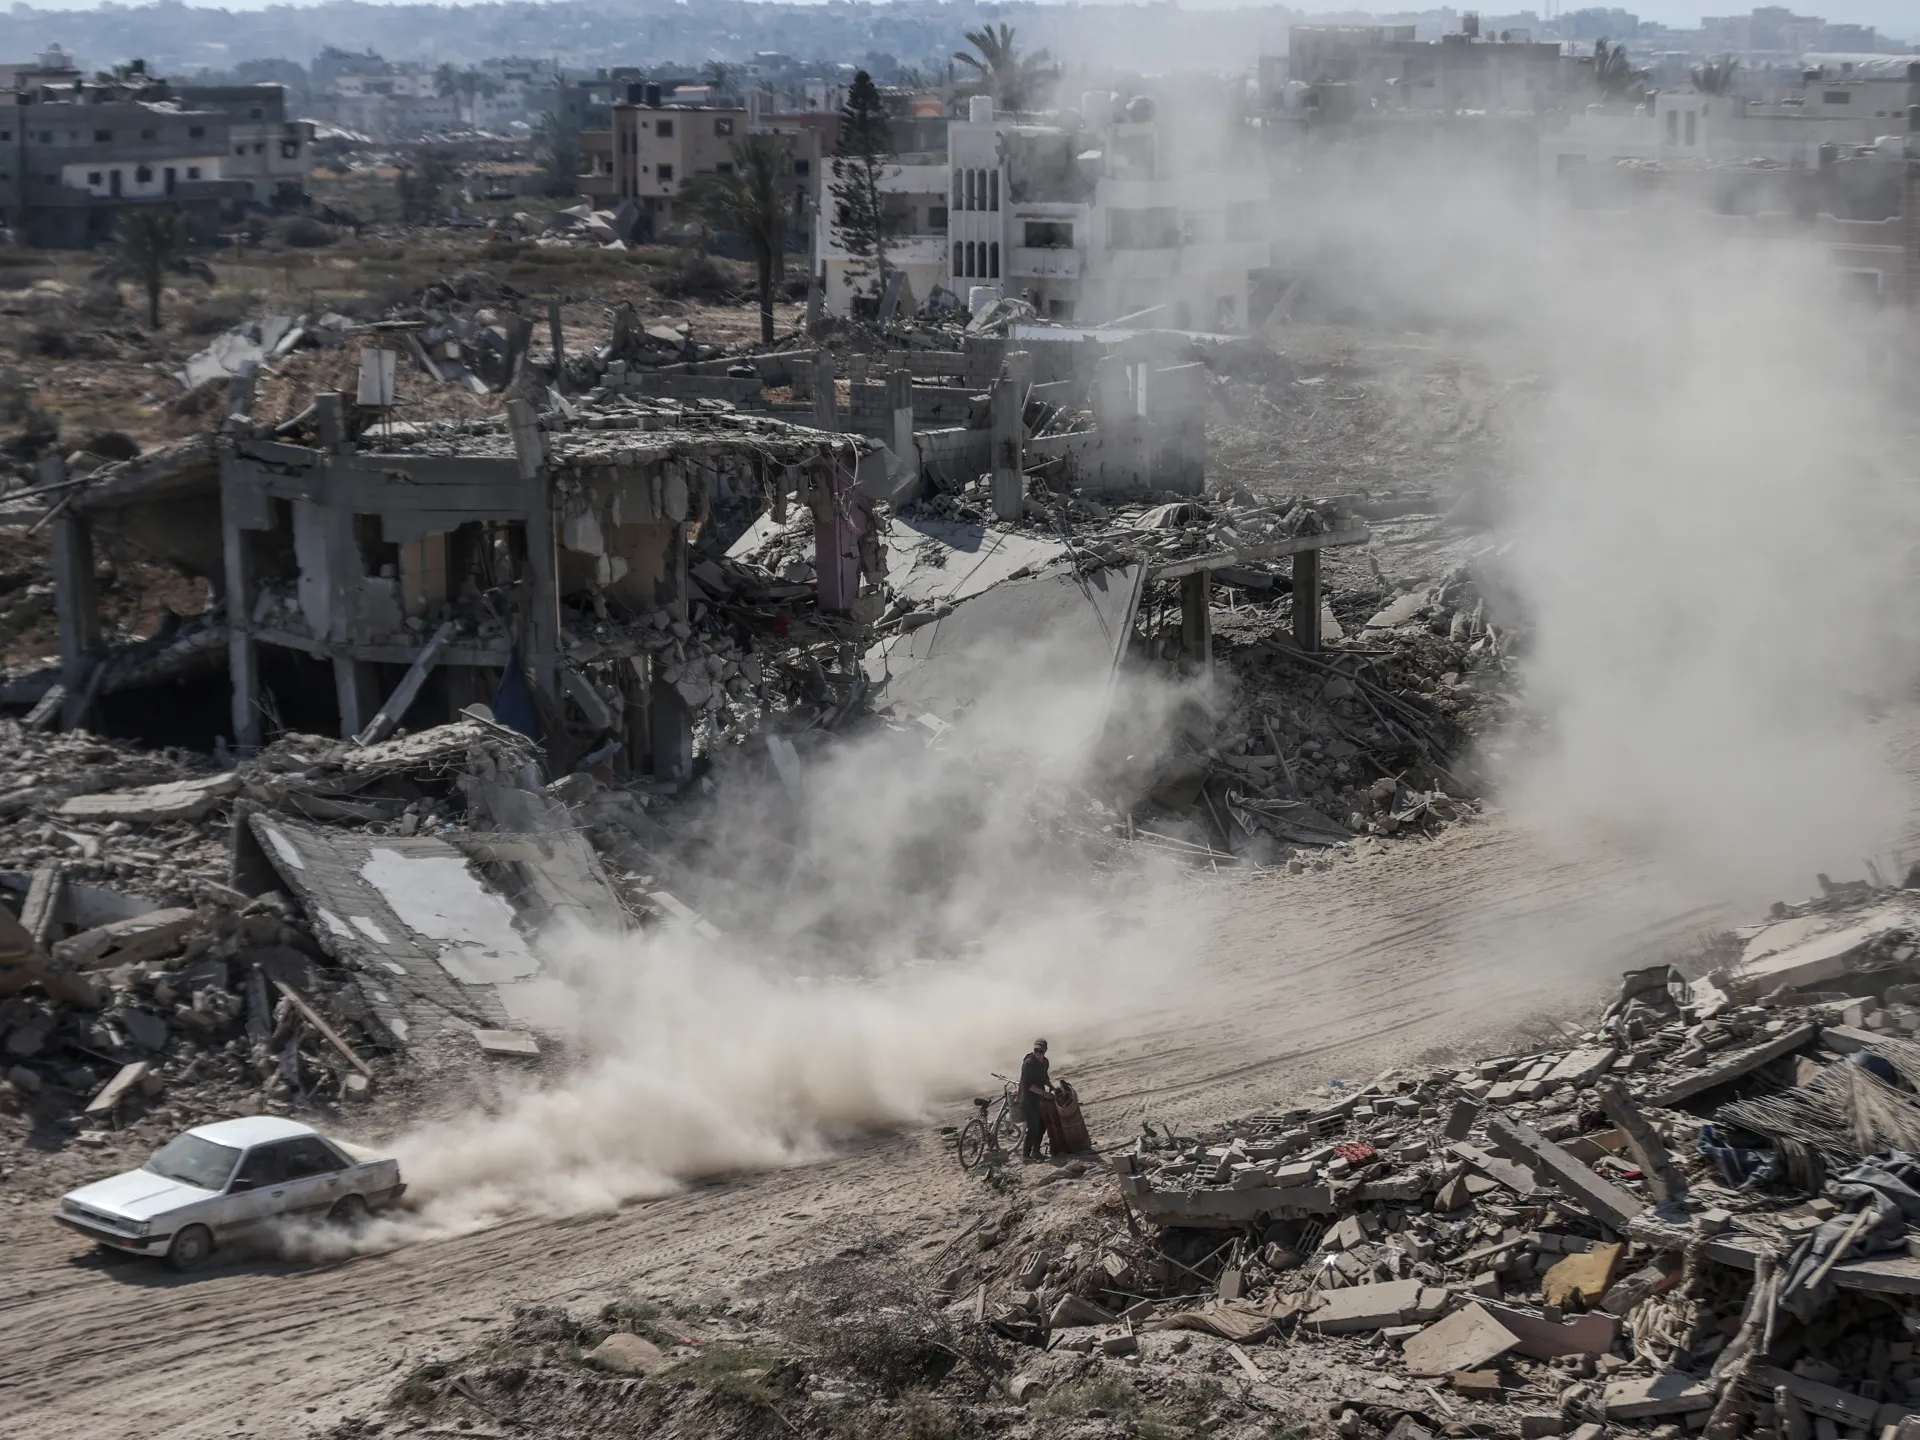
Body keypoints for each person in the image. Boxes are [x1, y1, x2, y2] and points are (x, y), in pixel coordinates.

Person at [1019, 1038, 1052, 1162]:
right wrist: (1044, 1093)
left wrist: (1052, 1087)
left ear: (1045, 1051)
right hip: (1028, 1099)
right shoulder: (1028, 1063)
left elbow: (1045, 1078)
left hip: (1039, 1099)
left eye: (1041, 1051)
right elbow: (1029, 1085)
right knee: (1033, 1127)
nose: (1038, 1053)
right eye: (1036, 1050)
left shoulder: (1045, 1062)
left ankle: (1036, 1151)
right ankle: (1025, 1155)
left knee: (1043, 1124)